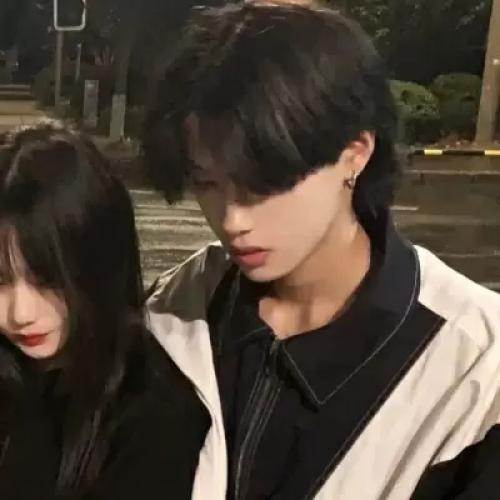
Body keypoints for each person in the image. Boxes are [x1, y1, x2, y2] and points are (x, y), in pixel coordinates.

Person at [143, 1, 500, 499]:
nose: (233, 220)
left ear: (355, 153)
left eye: (266, 183)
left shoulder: (478, 368)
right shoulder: (173, 311)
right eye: (207, 183)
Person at [0, 122, 209, 500]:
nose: (20, 313)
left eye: (48, 280)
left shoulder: (154, 415)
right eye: (0, 282)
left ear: (98, 261)